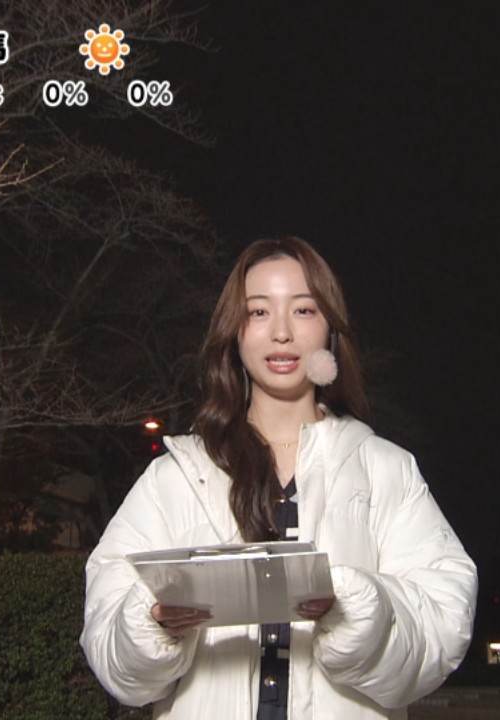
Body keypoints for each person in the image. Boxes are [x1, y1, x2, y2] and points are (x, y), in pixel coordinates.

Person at [81, 237, 477, 719]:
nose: (282, 333)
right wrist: (152, 624)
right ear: (234, 332)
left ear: (329, 329)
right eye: (259, 312)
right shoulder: (176, 477)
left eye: (304, 310)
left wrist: (356, 613)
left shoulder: (385, 470)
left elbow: (443, 625)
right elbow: (109, 646)